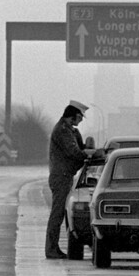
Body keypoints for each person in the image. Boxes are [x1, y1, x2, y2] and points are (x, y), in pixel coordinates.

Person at [46, 100, 92, 259]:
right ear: (73, 116)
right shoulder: (62, 131)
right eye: (80, 117)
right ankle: (51, 249)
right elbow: (73, 152)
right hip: (61, 177)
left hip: (65, 176)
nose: (80, 121)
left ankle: (54, 248)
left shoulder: (70, 130)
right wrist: (90, 154)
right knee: (57, 214)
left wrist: (87, 149)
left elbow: (79, 148)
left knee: (59, 214)